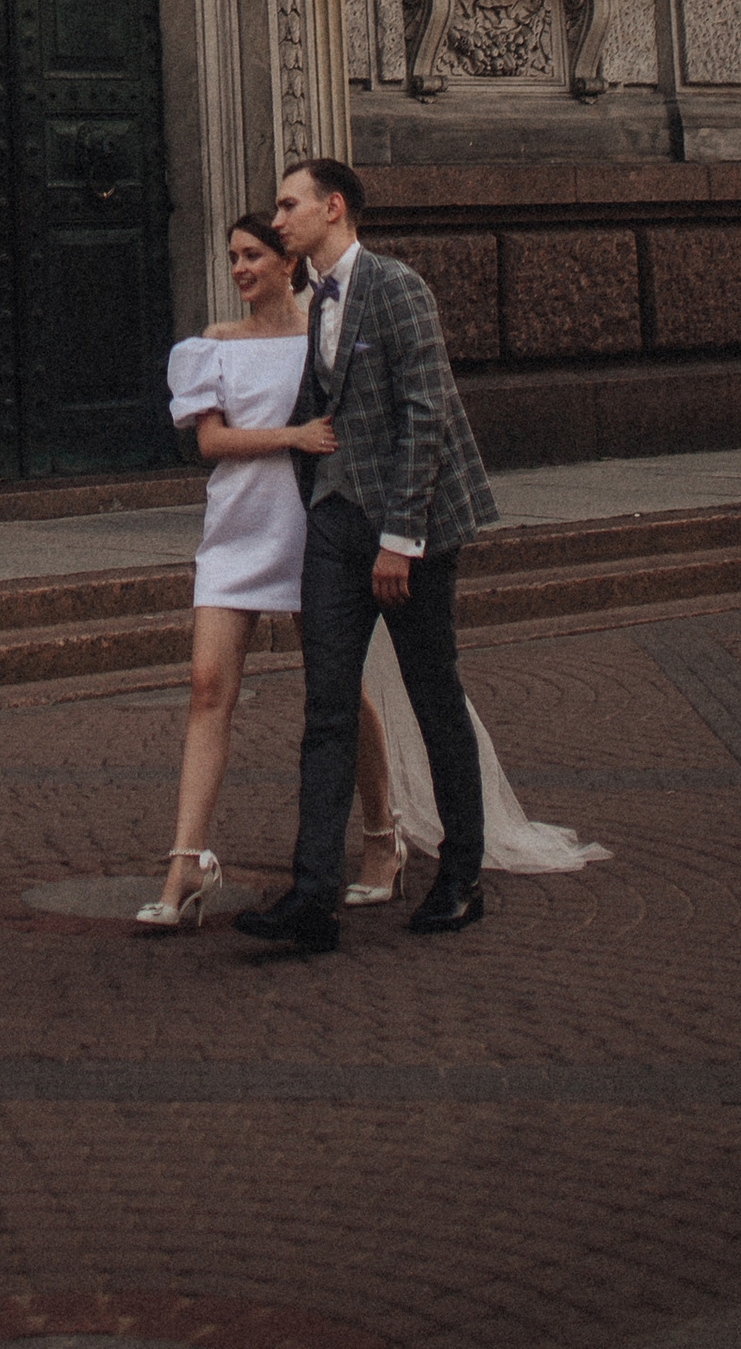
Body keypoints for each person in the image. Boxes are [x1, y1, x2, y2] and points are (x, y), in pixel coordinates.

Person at [142, 208, 603, 931]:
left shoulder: (330, 334)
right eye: (232, 256)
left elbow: (395, 414)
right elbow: (210, 441)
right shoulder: (211, 347)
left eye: (253, 253)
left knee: (338, 697)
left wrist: (395, 526)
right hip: (235, 533)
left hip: (314, 530)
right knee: (207, 688)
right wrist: (293, 434)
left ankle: (381, 837)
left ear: (287, 261)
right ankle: (186, 862)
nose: (239, 269)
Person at [237, 159, 511, 956]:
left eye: (289, 206)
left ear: (333, 209)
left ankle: (461, 877)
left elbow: (425, 413)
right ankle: (313, 897)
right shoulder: (311, 301)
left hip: (408, 529)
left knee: (434, 697)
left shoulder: (398, 288)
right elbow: (315, 410)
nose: (276, 219)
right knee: (326, 708)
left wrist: (401, 538)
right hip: (335, 523)